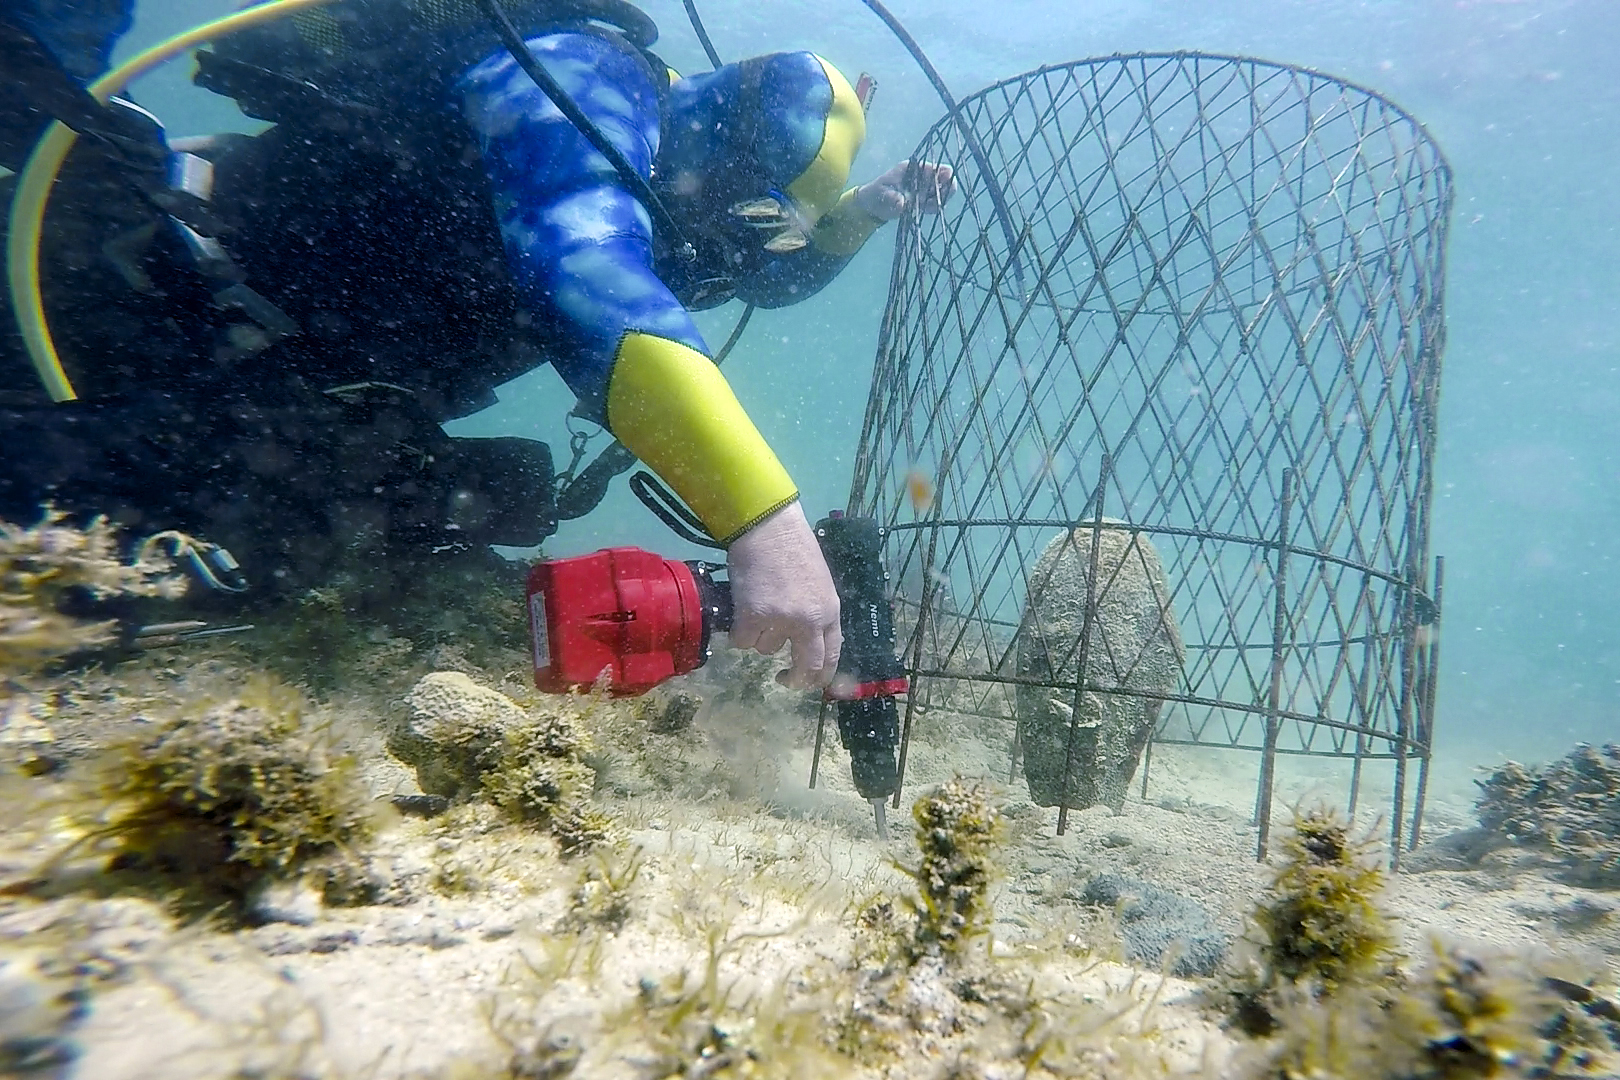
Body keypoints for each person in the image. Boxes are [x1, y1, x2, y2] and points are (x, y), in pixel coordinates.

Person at [0, 0, 955, 688]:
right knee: (51, 513)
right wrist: (767, 525)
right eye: (761, 218)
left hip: (288, 369)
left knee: (482, 495)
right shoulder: (582, 80)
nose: (750, 248)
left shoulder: (681, 194)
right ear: (722, 153)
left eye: (776, 230)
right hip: (150, 285)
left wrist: (854, 220)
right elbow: (582, 273)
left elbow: (761, 277)